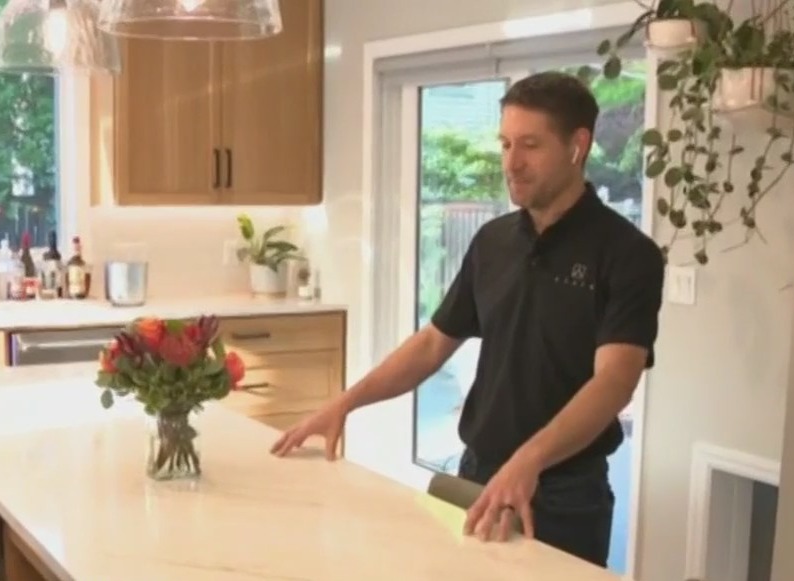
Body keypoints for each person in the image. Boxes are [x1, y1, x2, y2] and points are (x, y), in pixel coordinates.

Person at [270, 71, 665, 567]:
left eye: (530, 145)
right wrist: (345, 403)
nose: (511, 163)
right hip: (477, 473)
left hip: (565, 494)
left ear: (577, 146)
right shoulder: (493, 242)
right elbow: (433, 343)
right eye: (505, 144)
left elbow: (614, 383)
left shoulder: (627, 254)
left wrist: (530, 459)